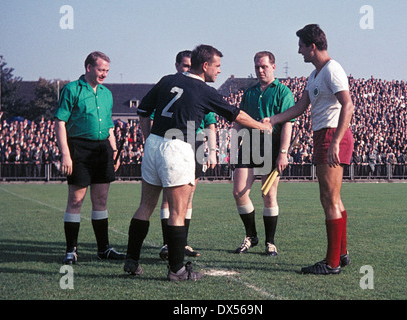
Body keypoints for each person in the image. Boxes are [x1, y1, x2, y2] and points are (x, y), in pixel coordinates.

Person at [124, 44, 272, 281]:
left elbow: (142, 111)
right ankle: (177, 270)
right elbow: (236, 115)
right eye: (218, 66)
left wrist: (146, 139)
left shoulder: (166, 80)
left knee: (145, 206)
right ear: (205, 66)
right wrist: (262, 125)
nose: (219, 71)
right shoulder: (203, 89)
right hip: (177, 147)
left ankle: (131, 260)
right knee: (177, 212)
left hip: (154, 144)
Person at [266, 24, 355, 274]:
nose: (299, 51)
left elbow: (348, 106)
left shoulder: (332, 69)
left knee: (329, 199)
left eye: (301, 46)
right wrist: (272, 120)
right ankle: (341, 253)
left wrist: (335, 141)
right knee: (332, 199)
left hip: (331, 134)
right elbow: (299, 108)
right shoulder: (315, 75)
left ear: (312, 46)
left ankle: (332, 263)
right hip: (323, 135)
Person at [55, 51, 125, 264]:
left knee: (101, 200)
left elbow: (110, 125)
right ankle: (71, 250)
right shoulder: (71, 89)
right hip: (79, 148)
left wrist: (113, 150)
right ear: (88, 68)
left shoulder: (106, 93)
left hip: (103, 149)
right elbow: (60, 123)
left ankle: (103, 249)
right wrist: (66, 154)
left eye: (107, 71)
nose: (104, 74)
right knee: (76, 200)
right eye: (100, 69)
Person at [232, 51, 295, 256]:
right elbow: (239, 121)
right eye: (257, 67)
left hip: (271, 144)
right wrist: (232, 145)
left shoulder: (283, 92)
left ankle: (270, 242)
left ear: (273, 67)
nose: (260, 70)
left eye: (264, 66)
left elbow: (287, 124)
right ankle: (251, 235)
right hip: (249, 143)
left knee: (268, 194)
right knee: (239, 192)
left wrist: (283, 153)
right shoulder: (249, 92)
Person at [157, 50, 217, 260]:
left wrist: (212, 152)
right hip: (174, 139)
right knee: (169, 196)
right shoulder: (169, 87)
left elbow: (211, 123)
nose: (187, 69)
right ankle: (168, 244)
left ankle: (182, 243)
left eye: (189, 65)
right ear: (177, 66)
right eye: (184, 65)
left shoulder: (201, 89)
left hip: (196, 141)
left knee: (189, 195)